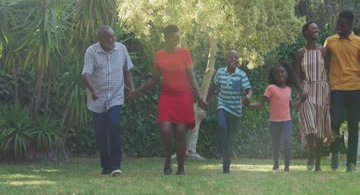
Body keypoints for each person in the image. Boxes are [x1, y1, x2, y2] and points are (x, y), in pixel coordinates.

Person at [129, 25, 208, 175]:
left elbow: (192, 78)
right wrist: (137, 91)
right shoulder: (159, 55)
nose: (176, 41)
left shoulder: (185, 53)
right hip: (167, 96)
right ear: (166, 38)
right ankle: (167, 159)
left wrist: (199, 98)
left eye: (178, 38)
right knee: (165, 130)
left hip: (184, 96)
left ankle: (181, 167)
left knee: (180, 131)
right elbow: (154, 79)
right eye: (173, 39)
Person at [324, 10, 360, 172]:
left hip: (354, 89)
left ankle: (351, 163)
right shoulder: (330, 41)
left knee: (353, 125)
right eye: (337, 24)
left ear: (350, 25)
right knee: (335, 122)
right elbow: (324, 62)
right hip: (337, 88)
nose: (338, 27)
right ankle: (335, 151)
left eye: (342, 24)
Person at [82, 25, 135, 177]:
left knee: (114, 124)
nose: (112, 40)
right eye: (108, 38)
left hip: (115, 95)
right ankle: (106, 166)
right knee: (101, 134)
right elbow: (86, 74)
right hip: (97, 97)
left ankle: (116, 166)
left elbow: (127, 70)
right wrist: (93, 90)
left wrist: (131, 88)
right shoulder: (91, 51)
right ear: (100, 39)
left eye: (113, 36)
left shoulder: (121, 49)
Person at [295, 21, 334, 172]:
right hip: (307, 90)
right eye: (313, 28)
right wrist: (301, 89)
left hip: (322, 89)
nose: (317, 30)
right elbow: (297, 75)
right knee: (309, 124)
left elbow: (330, 72)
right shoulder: (300, 53)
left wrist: (331, 92)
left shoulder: (324, 51)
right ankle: (310, 153)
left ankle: (317, 162)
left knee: (319, 127)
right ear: (305, 33)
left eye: (318, 28)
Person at [249, 62, 301, 172]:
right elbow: (261, 103)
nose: (280, 74)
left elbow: (291, 105)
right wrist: (249, 104)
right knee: (276, 144)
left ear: (287, 74)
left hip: (287, 121)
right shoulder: (270, 88)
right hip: (274, 122)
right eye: (277, 73)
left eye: (282, 72)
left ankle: (287, 167)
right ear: (274, 76)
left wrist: (301, 100)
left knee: (287, 142)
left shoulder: (289, 89)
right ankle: (276, 165)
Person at [207, 50, 252, 174]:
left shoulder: (241, 74)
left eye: (235, 58)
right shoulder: (220, 72)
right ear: (226, 59)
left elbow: (248, 89)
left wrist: (248, 96)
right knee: (222, 127)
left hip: (236, 110)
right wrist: (207, 101)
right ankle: (220, 148)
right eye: (230, 57)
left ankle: (226, 167)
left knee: (230, 139)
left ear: (238, 61)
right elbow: (213, 87)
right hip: (223, 105)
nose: (233, 59)